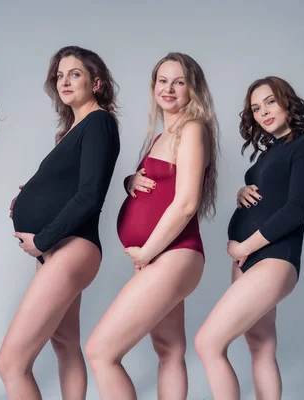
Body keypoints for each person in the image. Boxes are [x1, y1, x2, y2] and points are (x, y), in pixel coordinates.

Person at [85, 52, 219, 400]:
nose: (169, 89)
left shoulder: (192, 129)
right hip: (162, 256)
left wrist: (146, 251)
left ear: (193, 89)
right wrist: (131, 181)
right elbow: (162, 184)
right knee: (169, 351)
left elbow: (187, 202)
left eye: (179, 82)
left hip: (171, 254)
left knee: (100, 352)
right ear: (153, 86)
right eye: (163, 80)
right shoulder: (163, 135)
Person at [0, 45, 120, 400]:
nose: (65, 81)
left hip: (69, 246)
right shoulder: (75, 128)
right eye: (60, 75)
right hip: (58, 249)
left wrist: (43, 238)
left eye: (75, 74)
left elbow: (89, 195)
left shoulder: (99, 122)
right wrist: (30, 194)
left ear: (96, 83)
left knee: (10, 363)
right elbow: (68, 183)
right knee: (65, 344)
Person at [195, 76, 304, 400]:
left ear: (287, 101)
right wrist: (243, 190)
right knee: (261, 346)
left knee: (208, 343)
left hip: (272, 257)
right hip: (249, 261)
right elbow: (272, 194)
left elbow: (296, 209)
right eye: (255, 108)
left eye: (269, 101)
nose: (263, 112)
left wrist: (244, 245)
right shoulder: (269, 153)